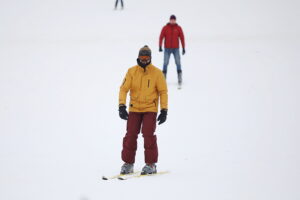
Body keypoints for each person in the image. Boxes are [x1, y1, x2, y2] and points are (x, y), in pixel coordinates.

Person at [118, 45, 168, 175]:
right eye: (142, 57)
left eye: (147, 58)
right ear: (138, 57)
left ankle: (151, 164)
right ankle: (128, 163)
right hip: (134, 108)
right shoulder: (131, 71)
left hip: (150, 109)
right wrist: (121, 106)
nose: (144, 60)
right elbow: (123, 89)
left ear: (150, 58)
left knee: (148, 134)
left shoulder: (157, 73)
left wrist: (164, 110)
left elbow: (163, 92)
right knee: (130, 134)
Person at [159, 15, 185, 86]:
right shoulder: (165, 28)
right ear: (169, 20)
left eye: (174, 20)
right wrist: (160, 46)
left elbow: (182, 37)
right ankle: (163, 78)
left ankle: (179, 77)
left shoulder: (178, 28)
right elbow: (161, 36)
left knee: (178, 62)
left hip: (176, 49)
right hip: (167, 49)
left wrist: (183, 48)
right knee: (165, 63)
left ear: (175, 20)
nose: (172, 21)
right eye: (171, 20)